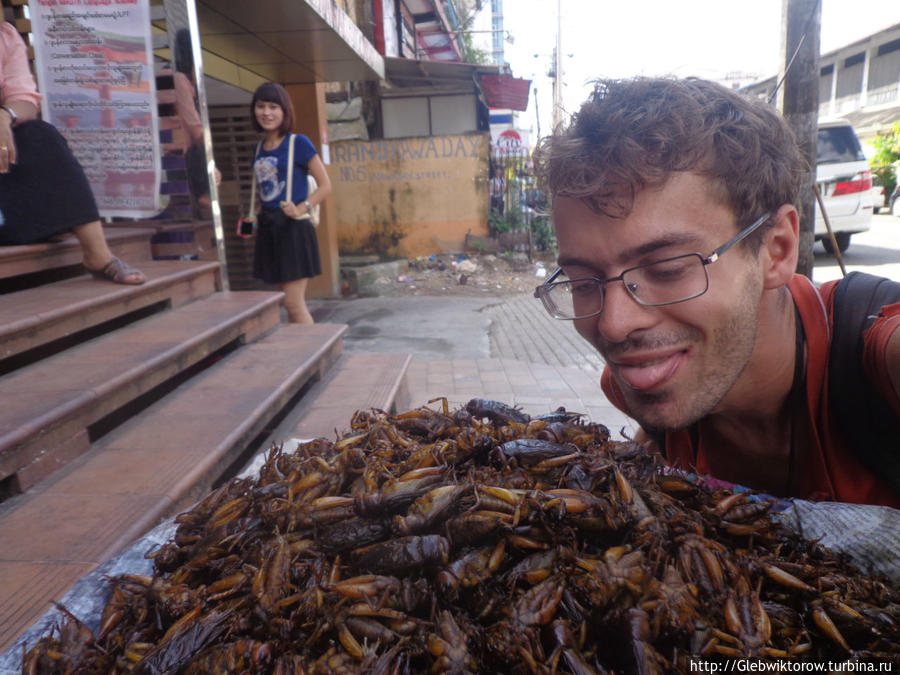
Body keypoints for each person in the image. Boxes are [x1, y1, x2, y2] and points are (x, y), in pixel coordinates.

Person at [532, 76, 900, 508]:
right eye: (581, 283)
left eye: (667, 268)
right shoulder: (647, 384)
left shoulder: (880, 362)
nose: (614, 325)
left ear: (777, 249)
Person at [0, 21, 145, 284]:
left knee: (38, 134)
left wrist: (4, 115)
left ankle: (97, 254)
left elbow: (24, 99)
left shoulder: (5, 36)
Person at [246, 82, 331, 324]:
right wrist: (253, 215)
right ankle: (302, 356)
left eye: (273, 107)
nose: (266, 113)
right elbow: (264, 192)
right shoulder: (259, 148)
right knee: (287, 302)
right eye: (261, 106)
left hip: (294, 228)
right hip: (270, 228)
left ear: (284, 112)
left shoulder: (298, 143)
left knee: (294, 302)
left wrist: (300, 209)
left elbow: (326, 186)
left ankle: (314, 356)